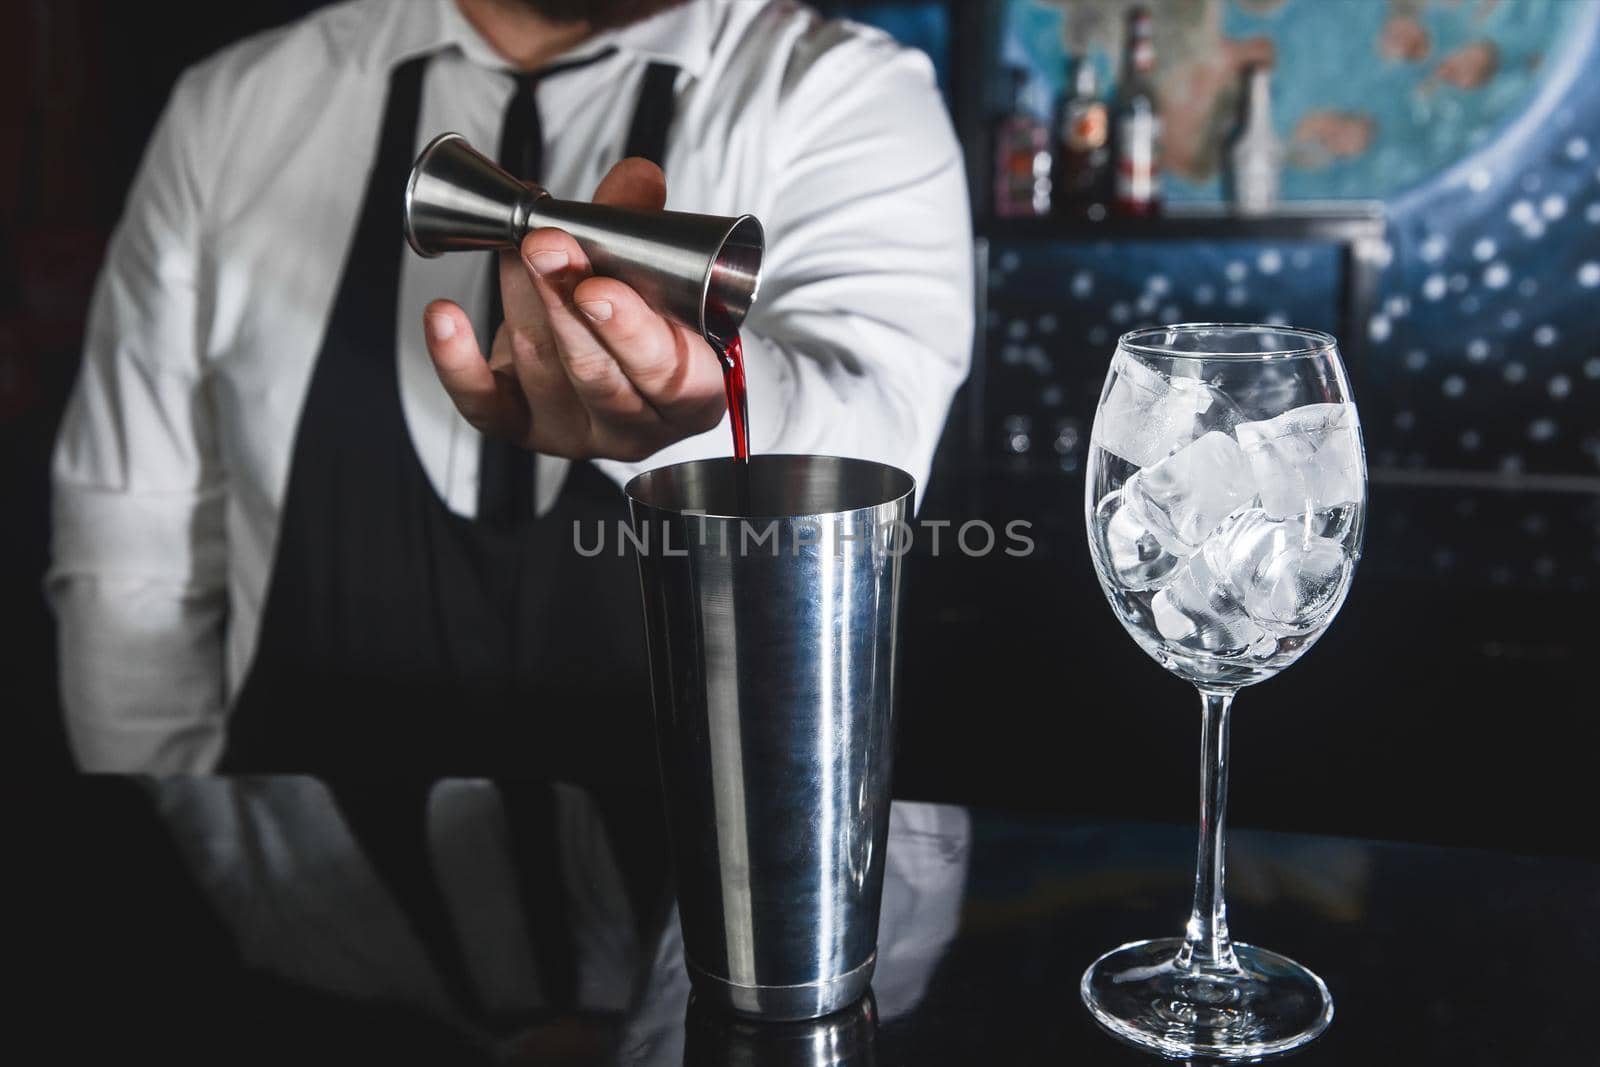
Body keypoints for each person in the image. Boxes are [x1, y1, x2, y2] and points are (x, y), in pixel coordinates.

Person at [48, 0, 973, 774]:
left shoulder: (844, 89)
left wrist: (687, 419)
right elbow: (131, 553)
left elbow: (875, 449)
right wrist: (179, 830)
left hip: (707, 899)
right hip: (312, 911)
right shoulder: (235, 108)